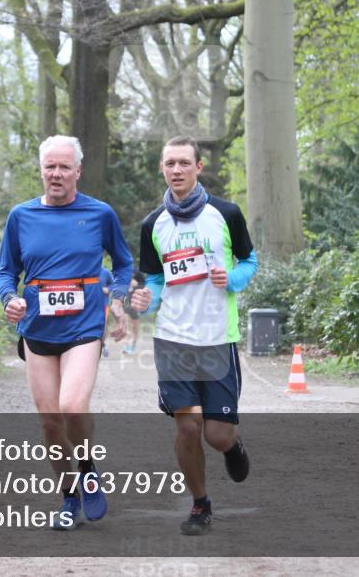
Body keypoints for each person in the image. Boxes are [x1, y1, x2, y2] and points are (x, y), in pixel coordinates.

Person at [0, 135, 132, 530]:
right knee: (51, 421)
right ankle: (69, 496)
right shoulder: (21, 216)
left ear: (78, 171)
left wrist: (118, 299)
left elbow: (122, 264)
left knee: (72, 406)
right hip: (37, 328)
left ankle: (87, 466)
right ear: (41, 170)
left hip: (84, 326)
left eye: (63, 167)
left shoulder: (100, 213)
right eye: (49, 167)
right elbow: (7, 269)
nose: (56, 174)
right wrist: (9, 298)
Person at [128, 135, 257, 536]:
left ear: (198, 167)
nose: (177, 170)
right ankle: (200, 503)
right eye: (170, 164)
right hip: (174, 341)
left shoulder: (226, 213)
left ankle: (233, 446)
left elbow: (249, 260)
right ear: (162, 169)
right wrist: (146, 300)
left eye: (184, 163)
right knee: (187, 427)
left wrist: (231, 277)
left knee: (217, 434)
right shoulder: (153, 224)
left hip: (217, 336)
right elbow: (155, 280)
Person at [122, 270, 147, 355]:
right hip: (127, 303)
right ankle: (126, 345)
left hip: (136, 303)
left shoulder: (138, 273)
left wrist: (136, 286)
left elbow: (145, 286)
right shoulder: (123, 272)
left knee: (134, 326)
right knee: (126, 324)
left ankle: (133, 345)